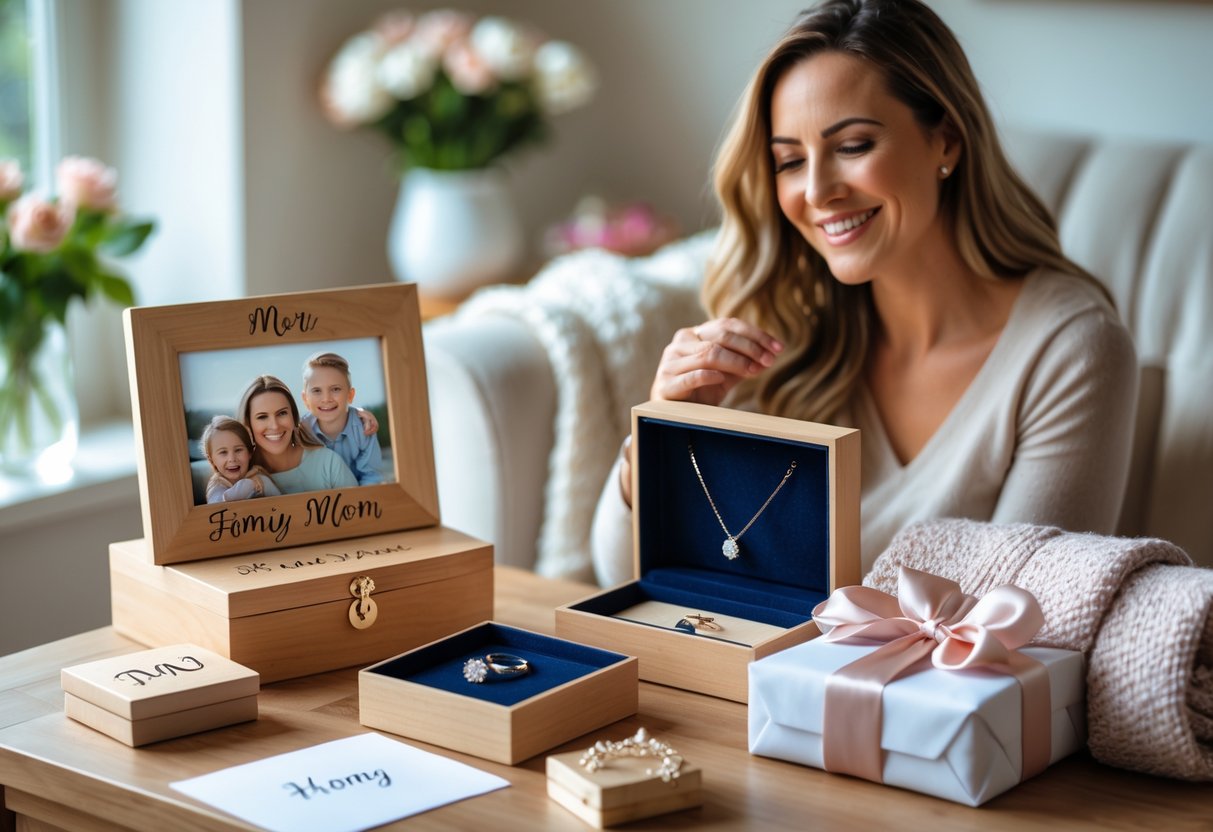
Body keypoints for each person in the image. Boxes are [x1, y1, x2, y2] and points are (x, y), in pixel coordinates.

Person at [591, 0, 1136, 585]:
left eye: (852, 147)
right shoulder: (789, 330)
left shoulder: (1071, 349)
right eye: (791, 161)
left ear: (946, 141)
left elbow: (1020, 621)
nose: (819, 191)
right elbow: (620, 575)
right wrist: (663, 437)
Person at [237, 375, 358, 494]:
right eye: (262, 417)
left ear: (294, 417)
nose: (274, 426)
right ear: (248, 425)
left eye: (282, 413)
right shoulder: (237, 474)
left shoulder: (328, 463)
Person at [300, 351, 384, 485]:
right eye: (317, 391)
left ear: (350, 395)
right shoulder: (301, 430)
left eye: (335, 389)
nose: (326, 399)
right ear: (305, 399)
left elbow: (372, 476)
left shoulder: (364, 427)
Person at [199, 415, 282, 503]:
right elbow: (220, 505)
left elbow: (283, 504)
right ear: (211, 460)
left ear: (250, 453)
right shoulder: (216, 485)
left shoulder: (260, 479)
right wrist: (249, 485)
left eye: (238, 450)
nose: (232, 459)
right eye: (223, 452)